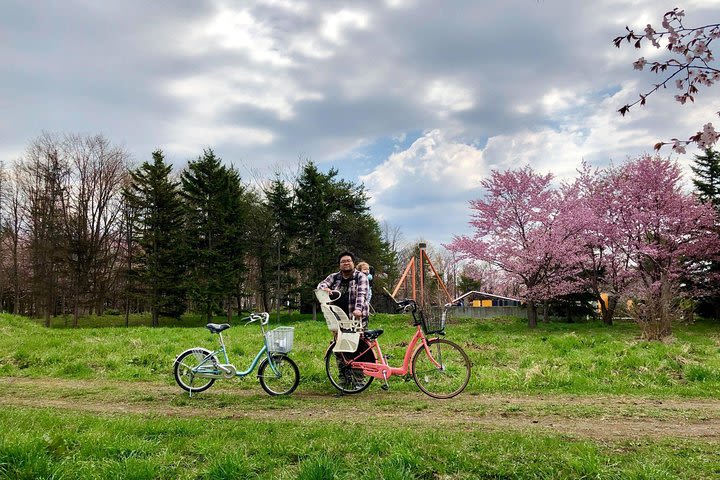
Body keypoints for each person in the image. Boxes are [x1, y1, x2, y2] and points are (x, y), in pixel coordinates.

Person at [317, 251, 370, 328]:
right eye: (343, 262)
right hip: (337, 315)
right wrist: (325, 288)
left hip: (356, 316)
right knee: (338, 338)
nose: (346, 263)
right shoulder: (334, 277)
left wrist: (358, 309)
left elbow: (361, 294)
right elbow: (321, 285)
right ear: (339, 265)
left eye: (348, 261)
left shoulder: (360, 276)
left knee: (357, 338)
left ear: (353, 263)